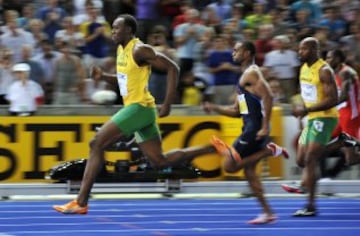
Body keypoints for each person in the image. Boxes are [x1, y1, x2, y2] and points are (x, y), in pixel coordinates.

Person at [52, 14, 217, 215]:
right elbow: (124, 82)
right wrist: (103, 77)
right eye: (112, 28)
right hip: (140, 110)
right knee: (159, 161)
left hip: (139, 108)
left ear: (129, 30)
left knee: (96, 143)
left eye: (116, 28)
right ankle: (211, 148)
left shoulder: (140, 49)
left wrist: (168, 103)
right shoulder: (121, 50)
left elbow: (173, 67)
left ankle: (81, 201)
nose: (112, 31)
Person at [204, 41, 289, 224]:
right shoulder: (244, 77)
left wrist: (265, 127)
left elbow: (268, 96)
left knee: (230, 165)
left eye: (237, 50)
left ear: (248, 52)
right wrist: (215, 107)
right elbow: (236, 111)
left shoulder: (252, 72)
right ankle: (268, 213)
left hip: (254, 130)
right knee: (249, 172)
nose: (233, 53)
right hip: (250, 128)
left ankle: (269, 151)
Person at [283, 37, 339, 216]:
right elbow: (307, 93)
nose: (300, 52)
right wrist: (302, 112)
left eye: (304, 49)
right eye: (299, 49)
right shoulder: (303, 68)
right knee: (300, 160)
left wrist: (307, 110)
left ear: (315, 50)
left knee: (310, 159)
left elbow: (332, 100)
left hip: (325, 118)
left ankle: (310, 206)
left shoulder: (324, 71)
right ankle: (341, 143)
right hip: (312, 118)